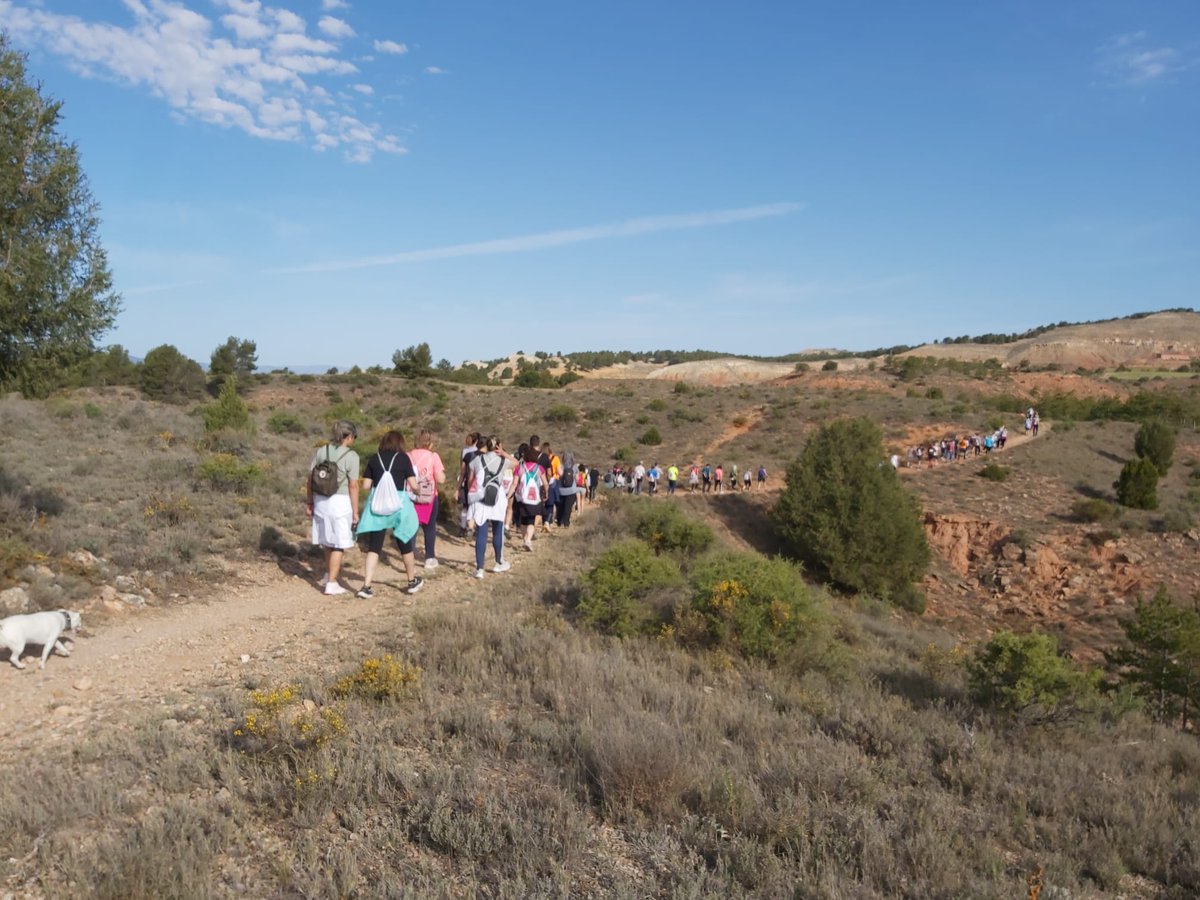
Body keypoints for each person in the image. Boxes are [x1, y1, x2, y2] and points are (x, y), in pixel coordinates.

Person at [355, 430, 423, 597]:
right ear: (399, 443)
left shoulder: (374, 458)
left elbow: (365, 486)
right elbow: (413, 484)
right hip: (399, 506)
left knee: (374, 547)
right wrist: (418, 491)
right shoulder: (403, 458)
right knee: (405, 543)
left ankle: (366, 586)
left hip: (378, 507)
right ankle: (411, 581)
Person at [307, 420, 360, 595]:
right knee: (338, 544)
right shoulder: (351, 456)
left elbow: (310, 478)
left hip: (321, 500)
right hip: (340, 502)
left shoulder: (322, 450)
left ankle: (328, 574)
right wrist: (355, 511)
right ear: (349, 436)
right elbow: (353, 486)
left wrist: (310, 501)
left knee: (327, 542)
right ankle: (331, 583)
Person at [466, 435, 515, 578]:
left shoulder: (476, 460)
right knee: (497, 530)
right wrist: (504, 453)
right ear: (499, 446)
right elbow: (517, 463)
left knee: (481, 531)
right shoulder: (503, 461)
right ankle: (499, 562)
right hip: (498, 498)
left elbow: (470, 480)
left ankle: (480, 569)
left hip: (481, 497)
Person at [407, 429, 446, 569]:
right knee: (429, 527)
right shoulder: (433, 456)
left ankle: (408, 554)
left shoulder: (408, 455)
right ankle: (429, 558)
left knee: (411, 526)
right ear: (429, 442)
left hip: (411, 495)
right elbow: (440, 479)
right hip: (429, 496)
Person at [515, 439, 549, 551]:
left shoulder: (520, 468)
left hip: (522, 497)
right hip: (534, 497)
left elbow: (516, 483)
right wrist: (546, 493)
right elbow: (545, 483)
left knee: (523, 521)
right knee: (531, 521)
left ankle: (525, 540)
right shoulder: (539, 468)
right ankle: (528, 540)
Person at [556, 450, 579, 527]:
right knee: (568, 507)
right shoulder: (575, 467)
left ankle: (559, 521)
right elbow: (577, 479)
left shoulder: (560, 466)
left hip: (561, 490)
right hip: (571, 490)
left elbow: (559, 476)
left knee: (560, 507)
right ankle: (566, 523)